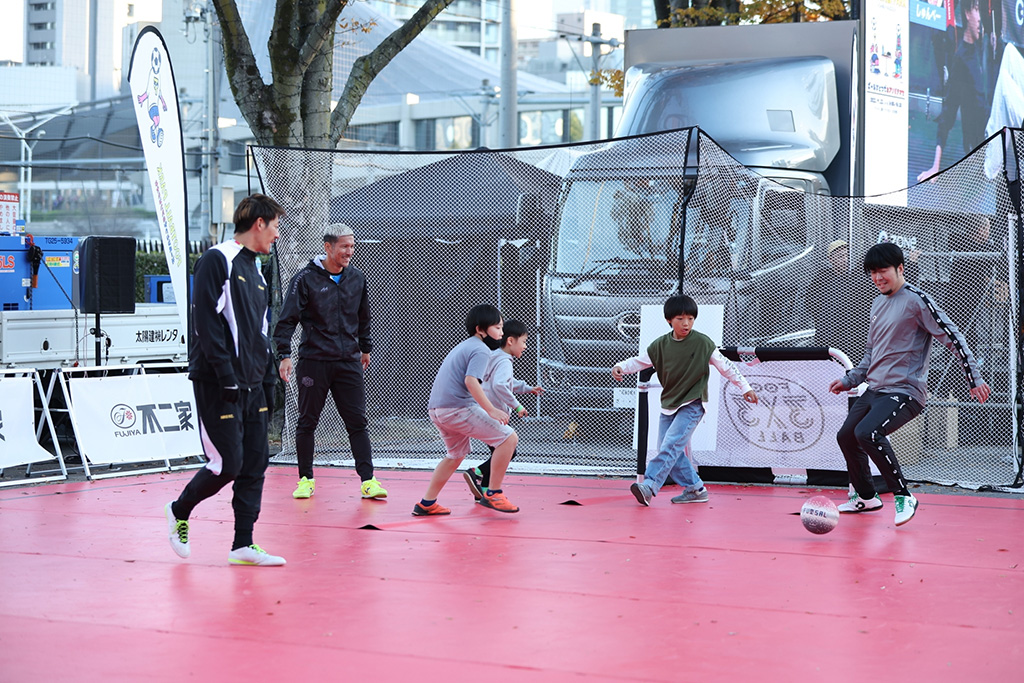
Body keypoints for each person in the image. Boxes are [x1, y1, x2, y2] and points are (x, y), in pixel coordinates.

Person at [828, 243, 991, 526]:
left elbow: (953, 337)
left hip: (905, 392)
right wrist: (849, 379)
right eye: (873, 273)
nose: (878, 278)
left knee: (868, 432)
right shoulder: (877, 303)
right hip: (875, 390)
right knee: (846, 436)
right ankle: (866, 497)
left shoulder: (917, 300)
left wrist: (974, 377)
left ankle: (904, 496)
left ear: (900, 269)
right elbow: (871, 355)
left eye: (883, 271)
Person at [164, 193, 286, 567]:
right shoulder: (218, 259)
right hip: (219, 383)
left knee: (256, 462)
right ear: (259, 223)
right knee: (226, 464)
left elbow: (261, 334)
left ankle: (243, 545)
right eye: (276, 227)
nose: (277, 236)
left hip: (253, 384)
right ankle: (178, 510)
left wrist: (269, 380)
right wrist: (227, 377)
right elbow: (206, 325)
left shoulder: (259, 272)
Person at [273, 223, 386, 501]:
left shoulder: (357, 278)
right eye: (344, 246)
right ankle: (305, 479)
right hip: (314, 362)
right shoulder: (304, 279)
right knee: (307, 421)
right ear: (328, 247)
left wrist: (365, 348)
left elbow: (364, 318)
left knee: (358, 421)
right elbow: (287, 319)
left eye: (352, 246)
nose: (350, 252)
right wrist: (284, 355)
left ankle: (368, 480)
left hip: (348, 361)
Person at [612, 294, 758, 506]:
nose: (686, 323)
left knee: (670, 445)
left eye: (690, 318)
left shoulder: (702, 343)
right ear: (669, 320)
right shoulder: (660, 345)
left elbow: (726, 366)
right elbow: (639, 361)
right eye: (680, 318)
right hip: (669, 404)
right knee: (672, 451)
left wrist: (745, 387)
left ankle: (649, 485)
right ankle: (696, 489)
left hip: (693, 403)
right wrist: (621, 367)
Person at [414, 304, 520, 516]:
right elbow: (471, 381)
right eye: (497, 328)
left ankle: (426, 503)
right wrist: (491, 410)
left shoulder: (466, 345)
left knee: (456, 454)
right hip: (456, 408)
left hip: (438, 410)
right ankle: (493, 493)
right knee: (508, 439)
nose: (501, 333)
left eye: (501, 328)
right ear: (480, 329)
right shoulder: (480, 349)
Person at [463, 319, 543, 500]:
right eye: (523, 341)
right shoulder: (505, 361)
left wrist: (527, 388)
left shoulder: (494, 356)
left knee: (498, 450)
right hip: (493, 413)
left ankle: (483, 489)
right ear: (510, 341)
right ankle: (477, 473)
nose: (525, 346)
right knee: (508, 450)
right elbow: (500, 385)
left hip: (483, 410)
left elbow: (505, 383)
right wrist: (518, 406)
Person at [917, 0, 991, 183]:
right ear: (967, 13)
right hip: (981, 154)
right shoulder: (962, 62)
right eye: (976, 11)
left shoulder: (987, 52)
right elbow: (946, 118)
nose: (980, 19)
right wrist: (935, 167)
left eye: (982, 12)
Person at [805, 239, 875, 363]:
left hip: (852, 337)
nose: (845, 259)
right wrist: (823, 316)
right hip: (829, 334)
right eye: (841, 256)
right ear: (830, 259)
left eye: (847, 255)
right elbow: (809, 301)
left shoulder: (855, 277)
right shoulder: (823, 278)